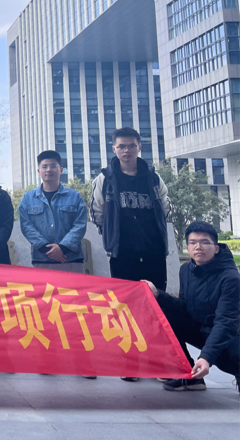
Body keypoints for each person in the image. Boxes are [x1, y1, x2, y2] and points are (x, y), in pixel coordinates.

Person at [146, 221, 240, 394]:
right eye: (193, 242)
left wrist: (206, 357)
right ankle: (190, 376)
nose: (198, 247)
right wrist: (158, 295)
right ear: (188, 248)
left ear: (216, 248)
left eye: (205, 242)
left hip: (231, 336)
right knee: (163, 316)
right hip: (203, 330)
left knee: (231, 357)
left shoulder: (231, 278)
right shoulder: (186, 270)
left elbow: (226, 323)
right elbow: (184, 307)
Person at [90, 128, 172, 290]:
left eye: (131, 146)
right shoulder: (105, 179)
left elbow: (165, 206)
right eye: (121, 146)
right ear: (114, 149)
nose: (126, 150)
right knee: (124, 296)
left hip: (154, 249)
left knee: (156, 296)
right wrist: (110, 233)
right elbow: (97, 211)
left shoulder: (153, 177)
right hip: (121, 251)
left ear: (139, 147)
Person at [18, 150, 88, 273]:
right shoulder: (28, 198)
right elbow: (26, 226)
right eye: (44, 166)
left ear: (61, 170)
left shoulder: (75, 196)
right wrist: (48, 250)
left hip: (71, 259)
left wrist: (63, 248)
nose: (49, 170)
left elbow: (80, 225)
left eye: (53, 166)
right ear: (39, 171)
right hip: (42, 259)